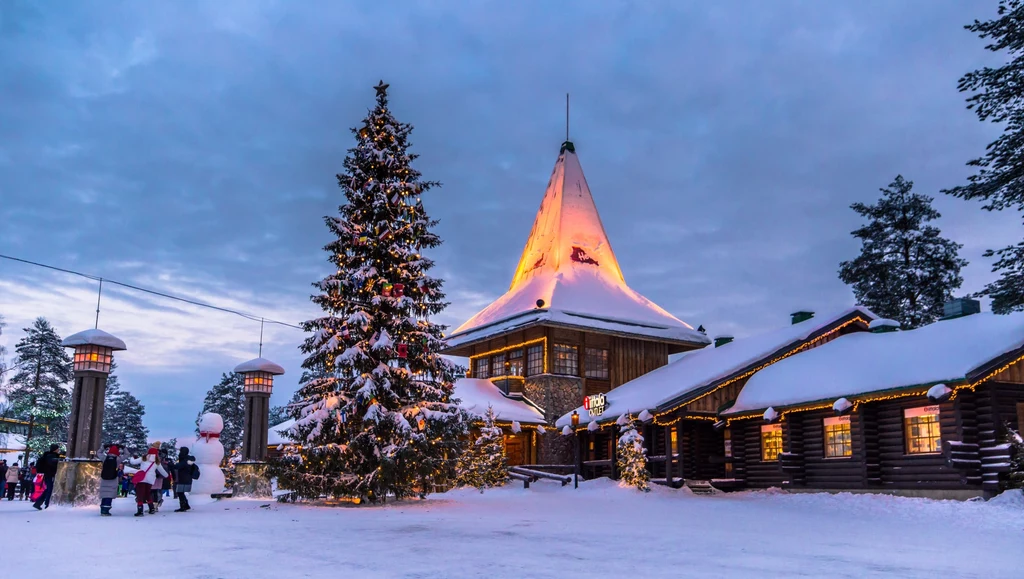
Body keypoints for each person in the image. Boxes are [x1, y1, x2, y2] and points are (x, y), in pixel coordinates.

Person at [124, 447, 168, 517]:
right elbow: (163, 472)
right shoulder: (157, 461)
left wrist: (133, 457)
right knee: (147, 494)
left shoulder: (144, 458)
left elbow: (132, 462)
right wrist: (167, 476)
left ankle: (140, 510)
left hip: (142, 478)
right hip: (150, 480)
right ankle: (151, 508)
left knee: (140, 495)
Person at [32, 444, 60, 510]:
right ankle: (47, 504)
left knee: (48, 489)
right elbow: (52, 464)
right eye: (57, 449)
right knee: (50, 489)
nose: (58, 450)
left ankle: (38, 503)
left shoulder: (48, 455)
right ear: (55, 449)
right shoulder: (51, 456)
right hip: (50, 475)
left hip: (48, 474)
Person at [173, 447, 200, 512]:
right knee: (181, 492)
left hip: (183, 478)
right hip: (187, 478)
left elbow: (178, 466)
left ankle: (183, 506)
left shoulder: (185, 460)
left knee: (180, 492)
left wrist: (171, 464)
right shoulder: (188, 460)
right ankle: (186, 505)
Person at [99, 445, 123, 516]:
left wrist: (103, 447)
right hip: (113, 478)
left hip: (104, 478)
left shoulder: (104, 458)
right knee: (109, 495)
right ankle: (106, 511)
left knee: (104, 494)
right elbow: (127, 454)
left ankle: (102, 509)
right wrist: (123, 448)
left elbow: (98, 452)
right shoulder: (118, 459)